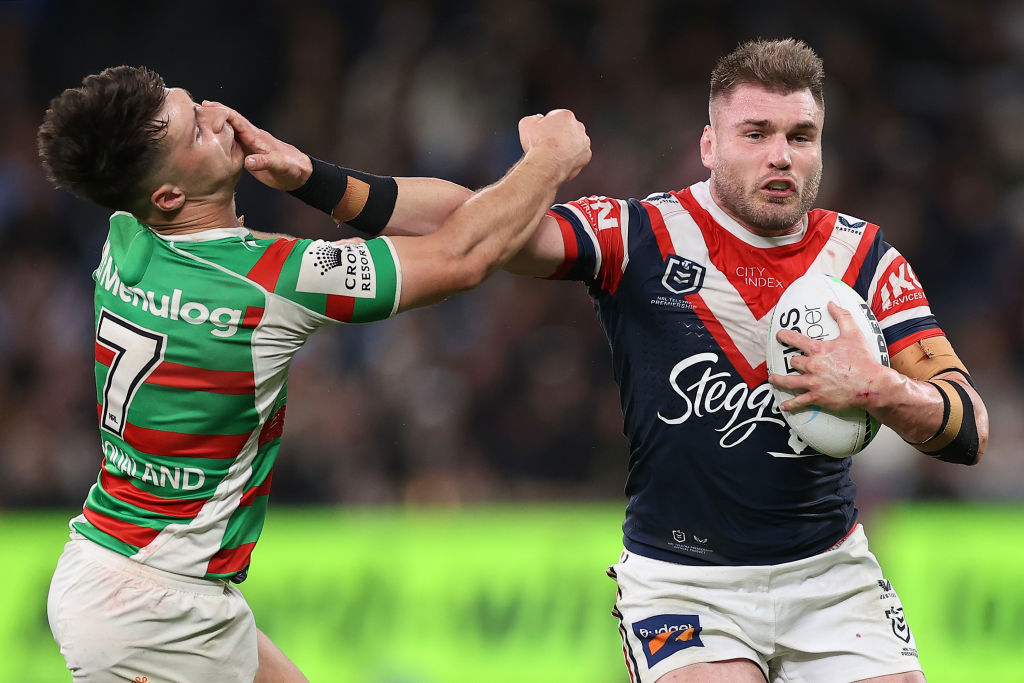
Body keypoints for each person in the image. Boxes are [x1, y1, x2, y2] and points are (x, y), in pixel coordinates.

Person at [254, 38, 988, 682]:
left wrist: (881, 387)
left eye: (801, 135)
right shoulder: (640, 234)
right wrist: (311, 178)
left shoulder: (863, 256)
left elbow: (967, 428)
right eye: (756, 132)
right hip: (687, 584)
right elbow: (470, 219)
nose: (779, 156)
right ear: (709, 144)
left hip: (829, 574)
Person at [37, 64, 590, 682]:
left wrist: (312, 179)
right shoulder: (271, 282)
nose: (221, 117)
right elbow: (460, 253)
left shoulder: (125, 234)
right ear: (168, 196)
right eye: (198, 132)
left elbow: (463, 218)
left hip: (130, 573)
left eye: (201, 105)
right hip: (151, 613)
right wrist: (549, 159)